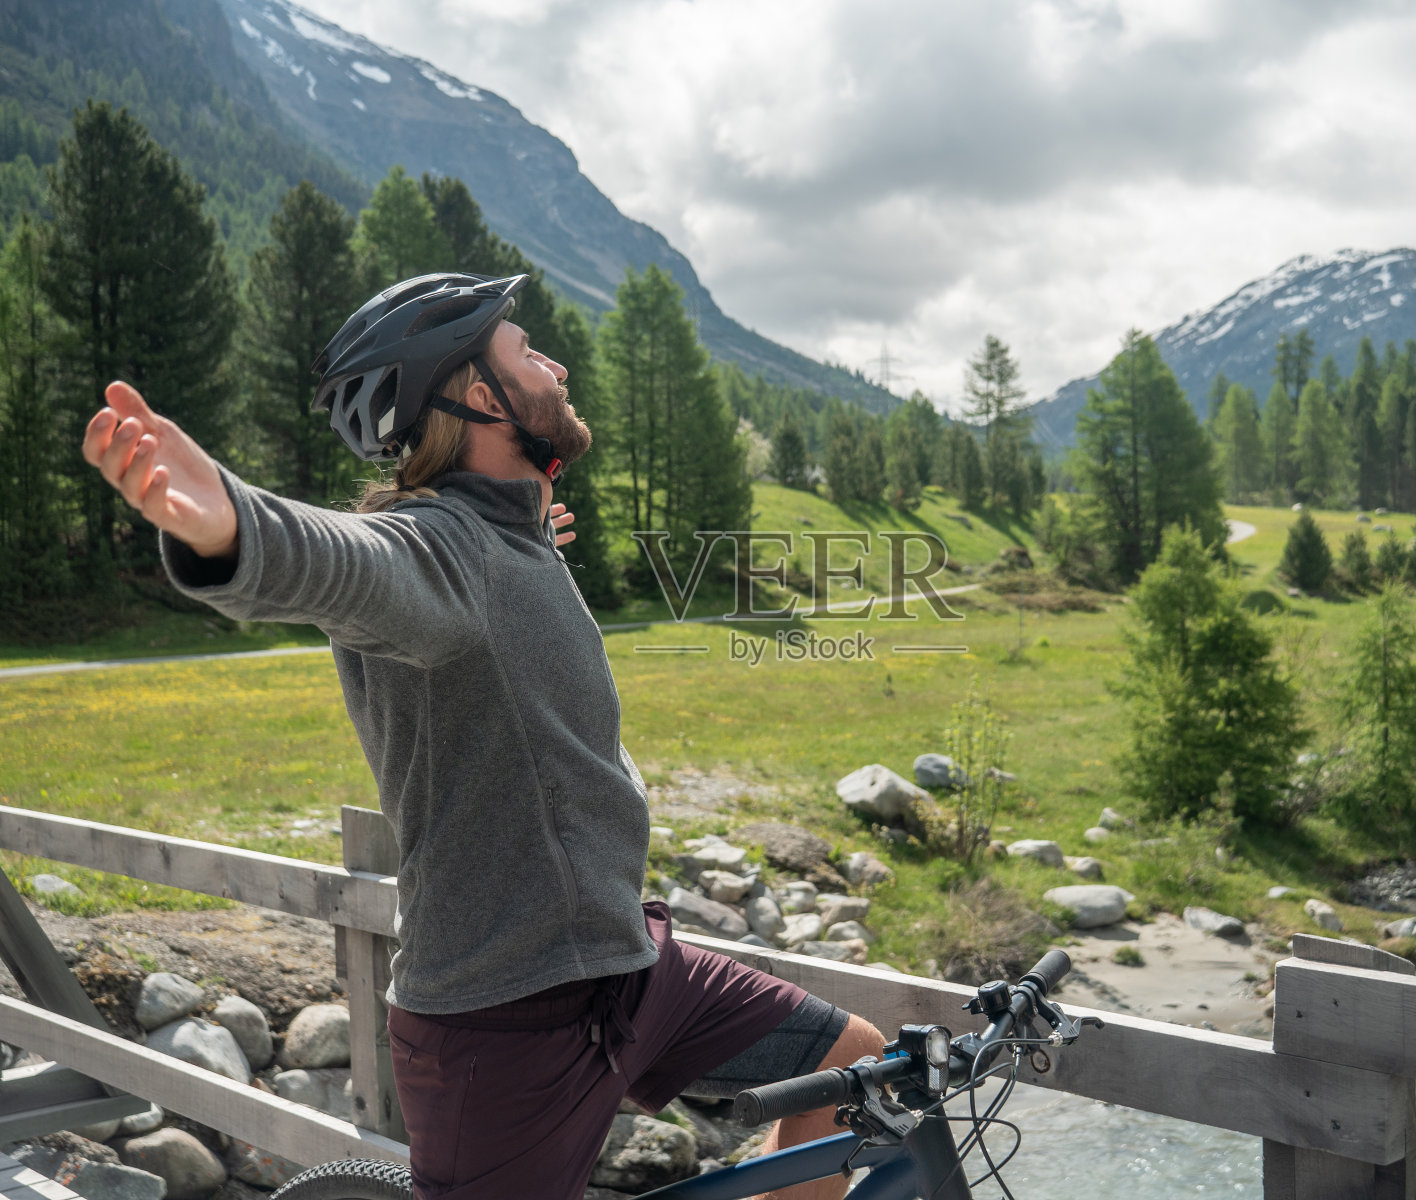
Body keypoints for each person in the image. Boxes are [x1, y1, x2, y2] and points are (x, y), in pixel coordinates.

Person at [81, 273, 882, 1200]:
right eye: (525, 352)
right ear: (475, 398)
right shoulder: (442, 550)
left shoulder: (509, 540)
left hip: (628, 969)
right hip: (504, 1025)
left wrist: (536, 527)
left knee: (853, 1071)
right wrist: (228, 527)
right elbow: (347, 564)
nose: (557, 363)